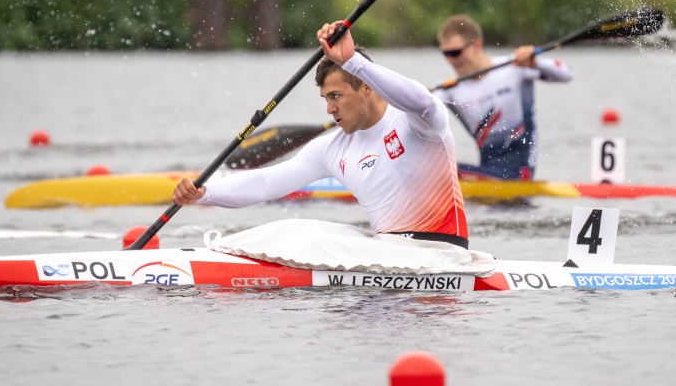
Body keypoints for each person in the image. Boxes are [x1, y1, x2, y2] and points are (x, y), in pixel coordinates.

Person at [173, 21, 469, 248]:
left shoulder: (419, 124)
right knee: (295, 229)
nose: (329, 109)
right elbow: (266, 183)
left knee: (310, 235)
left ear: (366, 86)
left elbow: (425, 101)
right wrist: (205, 193)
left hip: (440, 254)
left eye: (336, 96)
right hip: (388, 257)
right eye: (326, 99)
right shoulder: (330, 150)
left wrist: (354, 63)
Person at [434, 14, 573, 180]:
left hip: (520, 174)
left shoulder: (514, 68)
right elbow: (414, 105)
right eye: (446, 54)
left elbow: (567, 74)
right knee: (432, 167)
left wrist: (535, 62)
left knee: (445, 171)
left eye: (455, 53)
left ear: (476, 46)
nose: (451, 60)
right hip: (487, 173)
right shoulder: (449, 90)